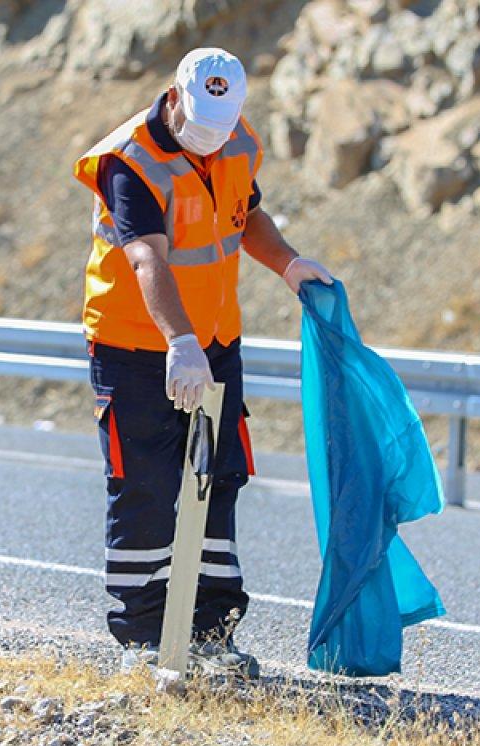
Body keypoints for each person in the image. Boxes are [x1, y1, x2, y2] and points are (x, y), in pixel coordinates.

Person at [72, 47, 333, 677]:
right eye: (201, 128)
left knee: (220, 479)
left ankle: (213, 634)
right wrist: (178, 343)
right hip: (136, 347)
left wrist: (289, 263)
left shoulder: (237, 141)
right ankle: (143, 640)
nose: (212, 144)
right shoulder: (130, 160)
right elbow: (146, 260)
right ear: (174, 97)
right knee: (146, 486)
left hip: (216, 341)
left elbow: (246, 216)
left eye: (222, 129)